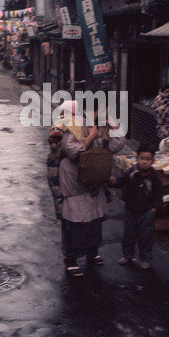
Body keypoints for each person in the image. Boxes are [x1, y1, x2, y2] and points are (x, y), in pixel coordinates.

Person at [49, 99, 126, 277]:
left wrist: (113, 126)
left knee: (94, 220)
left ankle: (93, 253)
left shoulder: (102, 125)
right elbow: (73, 152)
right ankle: (71, 258)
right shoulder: (72, 125)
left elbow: (116, 146)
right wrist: (91, 136)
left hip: (93, 179)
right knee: (75, 222)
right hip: (74, 179)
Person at [109, 144, 163, 270]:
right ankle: (127, 255)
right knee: (129, 234)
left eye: (148, 159)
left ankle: (145, 258)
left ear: (153, 161)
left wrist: (155, 207)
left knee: (146, 236)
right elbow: (120, 182)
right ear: (137, 159)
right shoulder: (131, 173)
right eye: (142, 158)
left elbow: (158, 192)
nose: (145, 162)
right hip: (130, 209)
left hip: (147, 211)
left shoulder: (154, 177)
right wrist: (113, 181)